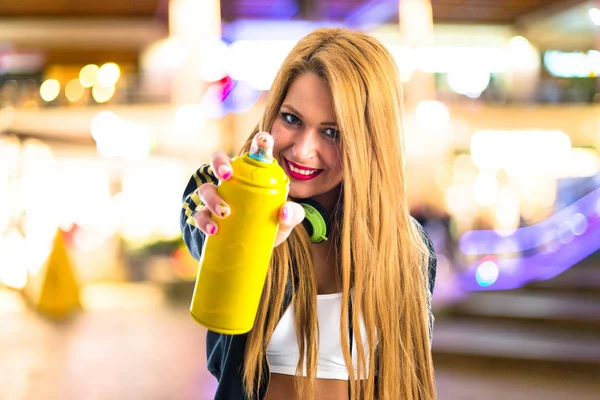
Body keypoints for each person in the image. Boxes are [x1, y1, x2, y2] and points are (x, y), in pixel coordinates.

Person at [180, 28, 437, 400]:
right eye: (292, 119)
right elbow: (200, 221)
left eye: (332, 132)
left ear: (370, 142)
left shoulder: (409, 246)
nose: (302, 150)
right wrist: (232, 226)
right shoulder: (232, 190)